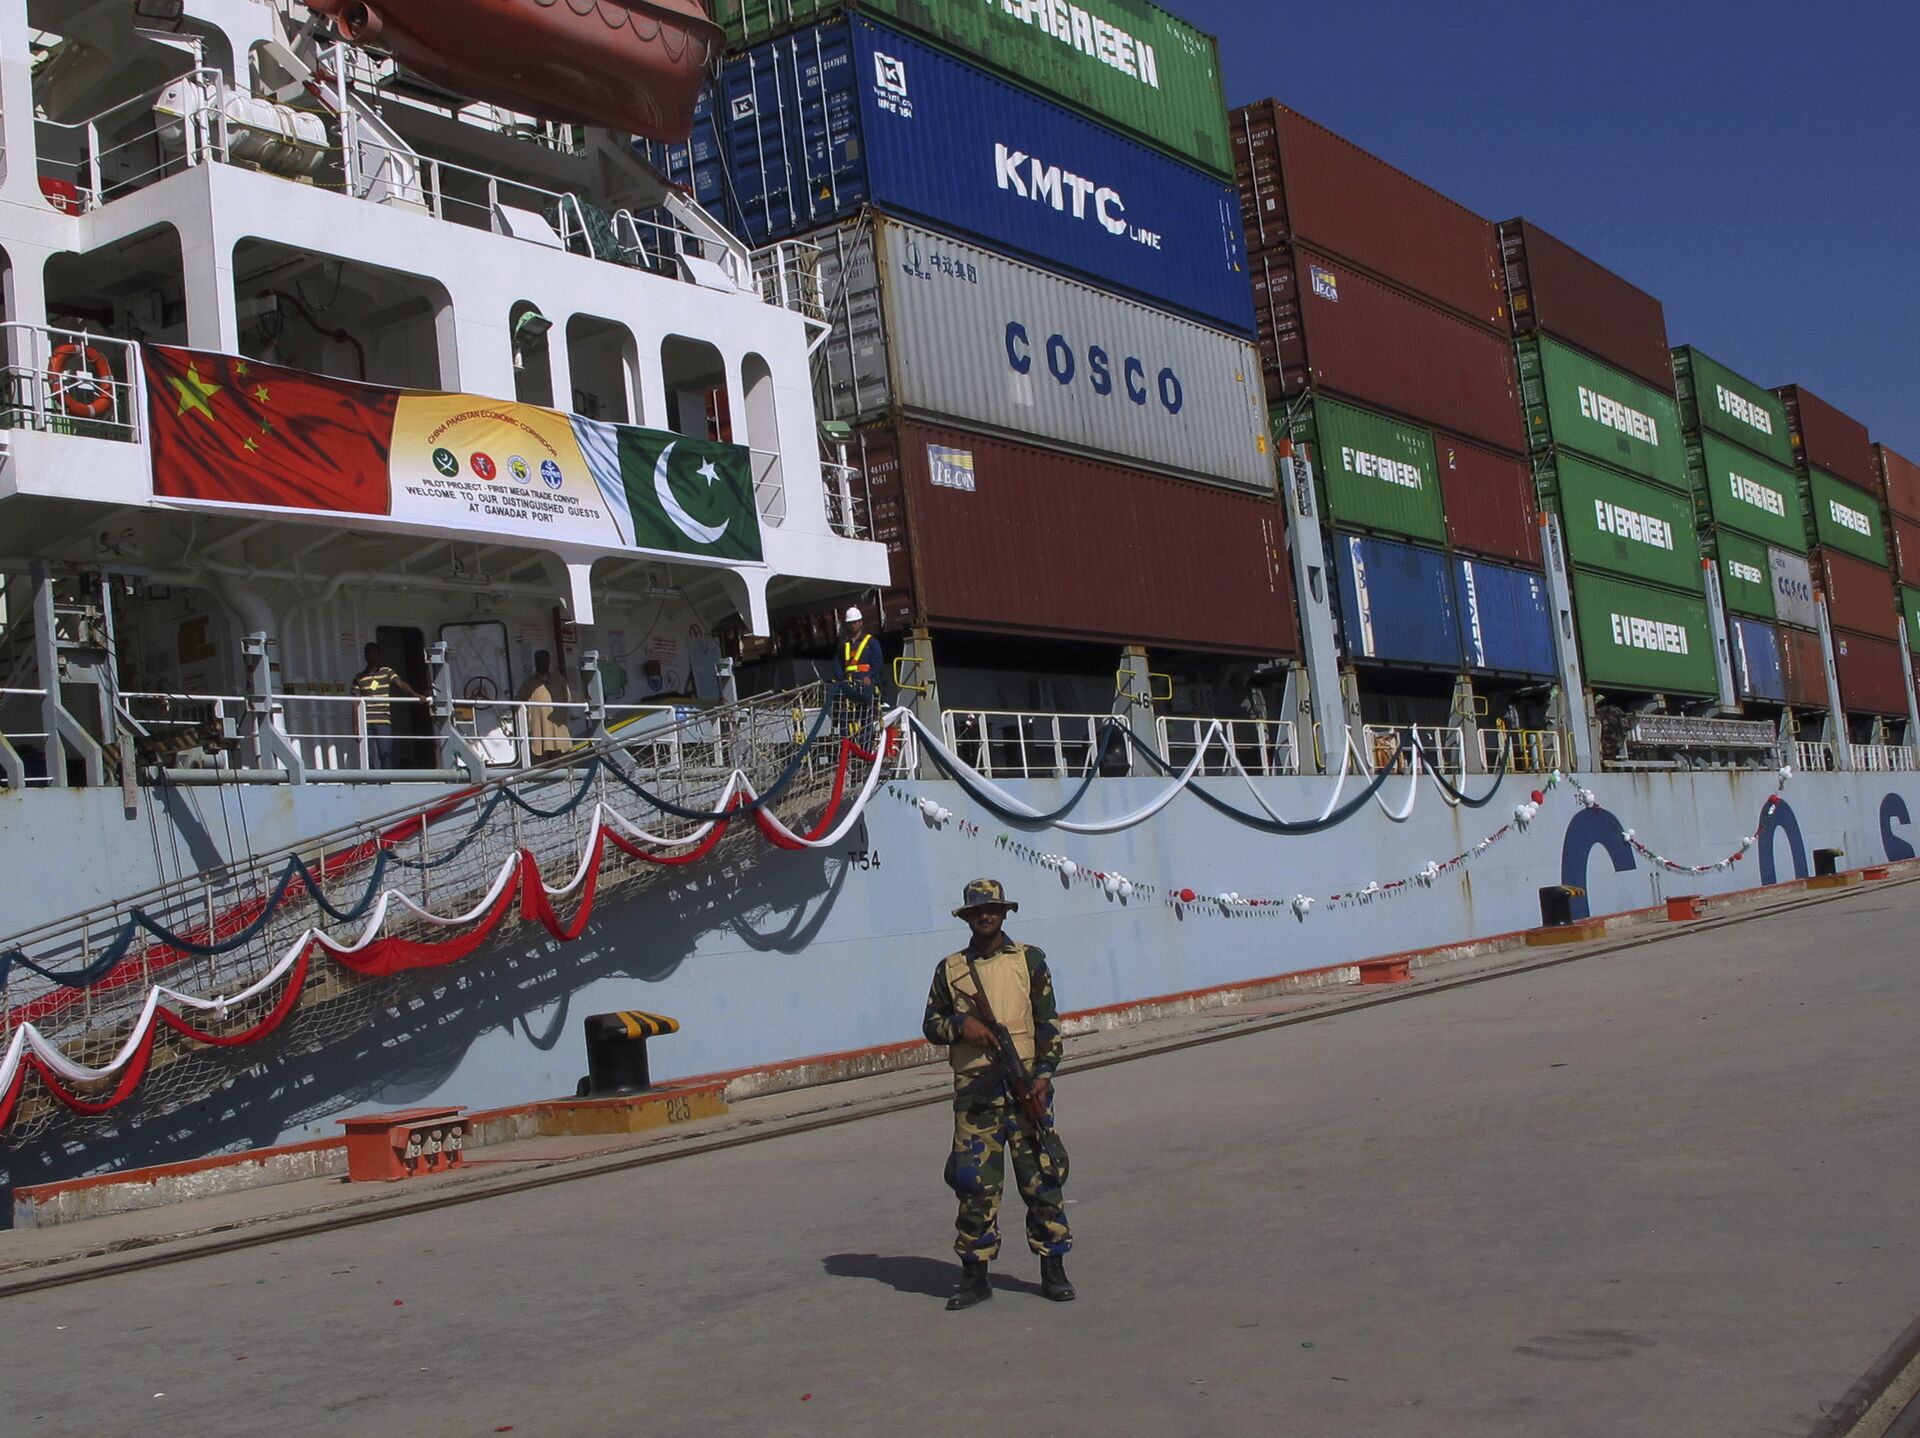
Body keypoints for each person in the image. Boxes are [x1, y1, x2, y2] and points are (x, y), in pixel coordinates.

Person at [922, 878, 1074, 1310]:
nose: (985, 916)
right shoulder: (950, 969)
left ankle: (1053, 1268)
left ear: (1004, 913)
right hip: (976, 1095)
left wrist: (1044, 1075)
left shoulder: (1029, 960)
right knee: (975, 1187)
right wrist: (961, 1026)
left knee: (1042, 1180)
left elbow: (1047, 1024)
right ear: (967, 917)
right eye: (977, 911)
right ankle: (975, 1276)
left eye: (992, 909)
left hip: (1026, 1088)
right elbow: (931, 1024)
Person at [351, 642, 424, 769]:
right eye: (367, 652)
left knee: (385, 753)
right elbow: (355, 702)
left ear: (378, 654)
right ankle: (370, 779)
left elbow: (400, 684)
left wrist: (416, 695)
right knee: (368, 756)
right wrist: (356, 726)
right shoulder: (359, 677)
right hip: (365, 721)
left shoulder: (387, 671)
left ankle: (386, 779)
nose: (369, 654)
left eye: (373, 651)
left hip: (383, 720)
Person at [517, 650, 573, 760]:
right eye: (539, 660)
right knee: (541, 755)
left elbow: (568, 698)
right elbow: (520, 701)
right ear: (535, 662)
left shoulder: (559, 679)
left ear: (549, 661)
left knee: (562, 754)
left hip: (558, 725)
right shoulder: (529, 682)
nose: (542, 663)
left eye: (544, 660)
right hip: (540, 726)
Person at [839, 605, 884, 741]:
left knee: (866, 718)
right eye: (850, 623)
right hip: (849, 687)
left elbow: (878, 663)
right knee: (845, 720)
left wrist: (869, 676)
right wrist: (840, 680)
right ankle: (847, 747)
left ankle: (865, 747)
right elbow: (838, 664)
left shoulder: (871, 642)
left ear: (861, 623)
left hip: (865, 686)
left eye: (855, 622)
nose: (852, 625)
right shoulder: (844, 644)